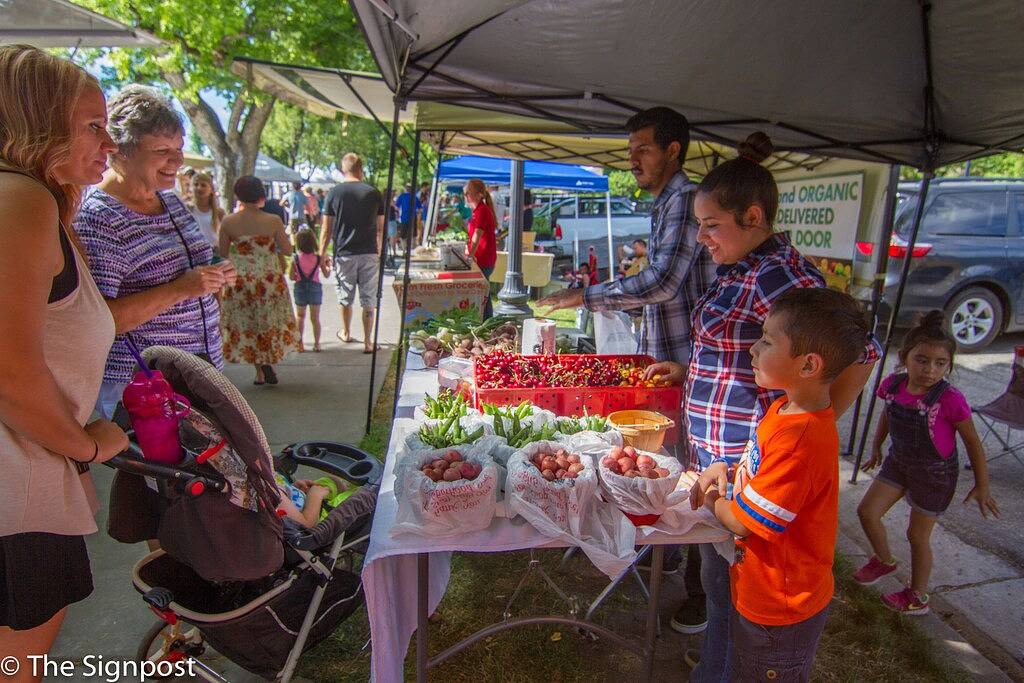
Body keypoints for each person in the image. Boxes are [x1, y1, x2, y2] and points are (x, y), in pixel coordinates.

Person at [644, 132, 881, 680]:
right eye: (698, 225)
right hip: (725, 464)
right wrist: (692, 370)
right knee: (722, 581)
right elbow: (739, 346)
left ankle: (728, 666)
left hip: (751, 467)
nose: (700, 236)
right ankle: (722, 660)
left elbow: (857, 347)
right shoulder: (741, 265)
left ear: (752, 216)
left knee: (735, 582)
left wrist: (811, 416)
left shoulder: (780, 274)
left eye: (710, 225)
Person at [539, 107, 717, 634]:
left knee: (693, 473)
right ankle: (669, 557)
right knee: (668, 466)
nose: (632, 158)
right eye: (631, 148)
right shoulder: (667, 204)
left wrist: (587, 294)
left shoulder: (685, 201)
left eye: (643, 148)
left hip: (694, 362)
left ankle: (700, 591)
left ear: (673, 151)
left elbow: (661, 281)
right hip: (672, 357)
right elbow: (662, 285)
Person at [0, 44, 129, 675]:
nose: (109, 141)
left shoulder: (33, 202)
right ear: (37, 123)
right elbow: (10, 374)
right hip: (13, 493)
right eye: (93, 126)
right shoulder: (22, 202)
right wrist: (87, 448)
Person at [704, 288, 869, 682]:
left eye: (766, 340)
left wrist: (711, 498)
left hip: (780, 608)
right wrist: (726, 468)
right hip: (762, 590)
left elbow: (743, 522)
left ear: (809, 365)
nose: (753, 349)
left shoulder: (800, 439)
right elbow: (762, 472)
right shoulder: (783, 409)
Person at [75, 85, 236, 419]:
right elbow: (103, 320)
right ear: (120, 150)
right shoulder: (99, 218)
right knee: (163, 473)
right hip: (144, 386)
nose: (177, 160)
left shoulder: (170, 201)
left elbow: (196, 261)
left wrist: (217, 268)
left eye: (178, 148)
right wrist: (182, 288)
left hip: (195, 374)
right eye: (163, 149)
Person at [855, 311, 998, 614]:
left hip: (935, 475)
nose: (930, 370)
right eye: (921, 360)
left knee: (916, 536)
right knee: (867, 512)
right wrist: (877, 446)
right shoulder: (892, 386)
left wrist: (982, 485)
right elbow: (886, 414)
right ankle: (883, 560)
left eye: (940, 363)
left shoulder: (950, 399)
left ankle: (917, 597)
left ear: (949, 364)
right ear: (905, 357)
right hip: (898, 463)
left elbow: (972, 441)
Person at [218, 175, 299, 385]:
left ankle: (259, 372)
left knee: (250, 322)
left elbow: (222, 254)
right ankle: (269, 362)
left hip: (242, 277)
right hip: (268, 277)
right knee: (268, 321)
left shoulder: (228, 222)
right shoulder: (273, 221)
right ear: (260, 194)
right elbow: (288, 250)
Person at [320, 153, 384, 353]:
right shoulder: (373, 193)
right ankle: (367, 342)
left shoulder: (334, 193)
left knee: (345, 296)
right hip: (369, 252)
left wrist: (322, 253)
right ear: (361, 169)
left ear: (343, 170)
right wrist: (378, 251)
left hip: (344, 253)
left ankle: (346, 332)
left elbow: (326, 228)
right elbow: (380, 228)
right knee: (369, 300)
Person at [463, 178, 498, 320]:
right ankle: (486, 321)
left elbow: (477, 235)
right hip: (481, 258)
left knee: (484, 294)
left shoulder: (482, 210)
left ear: (479, 195)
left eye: (468, 193)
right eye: (465, 193)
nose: (466, 196)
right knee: (484, 293)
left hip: (484, 258)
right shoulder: (478, 210)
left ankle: (487, 321)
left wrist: (470, 254)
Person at [289, 228, 325, 352]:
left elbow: (291, 276)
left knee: (300, 316)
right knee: (315, 318)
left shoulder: (295, 259)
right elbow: (326, 274)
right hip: (315, 288)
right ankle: (317, 344)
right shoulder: (318, 258)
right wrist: (328, 267)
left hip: (300, 288)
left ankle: (300, 344)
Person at [188, 171, 225, 247]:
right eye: (196, 184)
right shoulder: (187, 209)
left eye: (203, 185)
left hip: (213, 251)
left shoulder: (219, 212)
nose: (199, 188)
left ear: (211, 190)